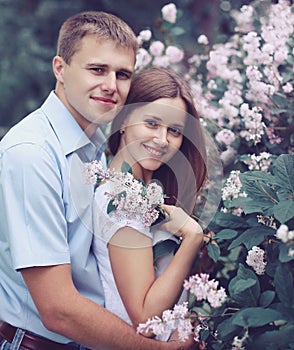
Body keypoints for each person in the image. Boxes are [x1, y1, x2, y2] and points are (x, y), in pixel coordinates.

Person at [0, 11, 195, 350]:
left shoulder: (96, 148)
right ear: (60, 68)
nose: (110, 85)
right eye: (97, 69)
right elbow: (58, 309)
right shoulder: (32, 153)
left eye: (122, 74)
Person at [92, 67, 208, 344]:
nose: (162, 139)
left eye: (175, 130)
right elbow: (146, 319)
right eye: (152, 123)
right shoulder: (121, 200)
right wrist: (193, 239)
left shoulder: (149, 195)